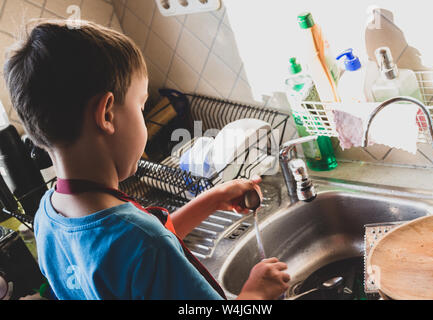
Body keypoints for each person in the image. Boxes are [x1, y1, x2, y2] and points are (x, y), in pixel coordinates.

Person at [3, 19, 290, 300]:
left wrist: (214, 199)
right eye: (141, 105)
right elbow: (145, 249)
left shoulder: (47, 216)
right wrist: (256, 294)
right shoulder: (143, 243)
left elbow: (133, 256)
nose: (143, 113)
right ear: (106, 114)